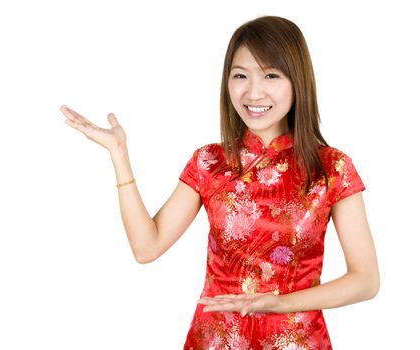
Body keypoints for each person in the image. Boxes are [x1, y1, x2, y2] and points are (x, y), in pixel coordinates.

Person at [60, 14, 379, 350]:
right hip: (215, 340)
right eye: (240, 75)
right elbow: (147, 247)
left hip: (297, 342)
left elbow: (366, 280)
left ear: (297, 81)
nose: (253, 92)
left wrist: (281, 303)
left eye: (271, 75)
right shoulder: (210, 162)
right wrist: (119, 154)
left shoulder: (331, 167)